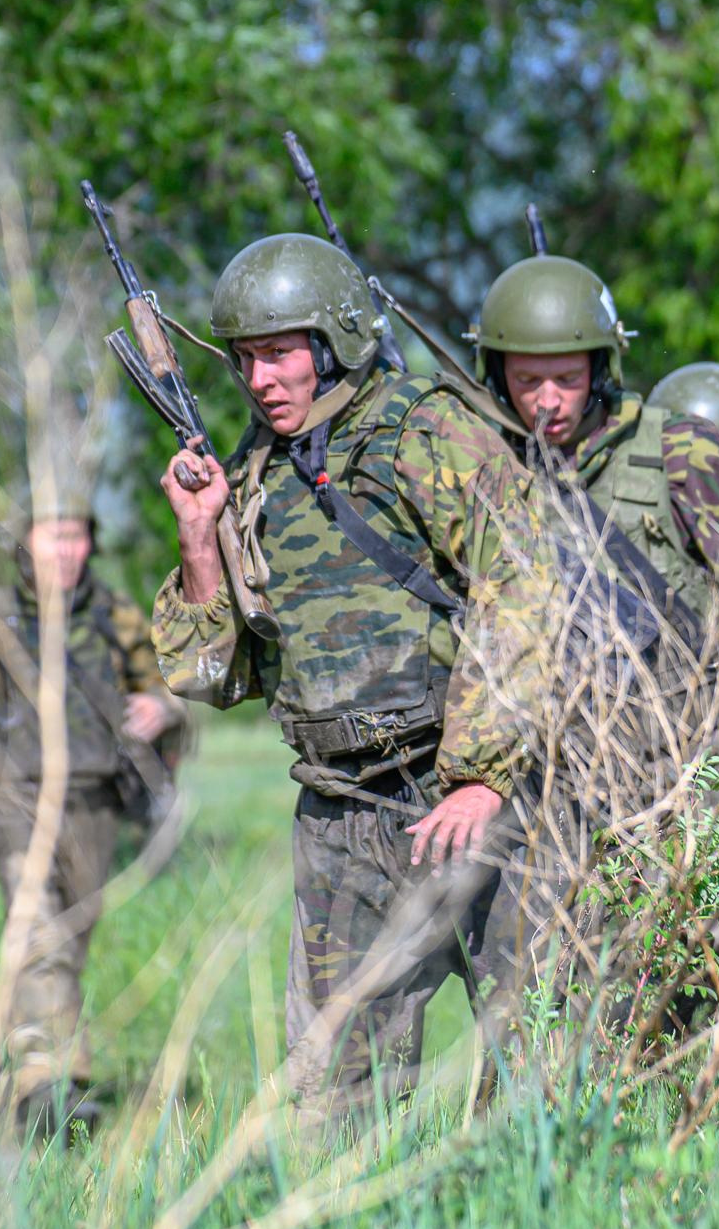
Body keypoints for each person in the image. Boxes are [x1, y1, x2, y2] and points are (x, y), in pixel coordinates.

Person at [150, 232, 553, 1099]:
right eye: (246, 358)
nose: (261, 380)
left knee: (536, 1081)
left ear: (334, 343)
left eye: (281, 354)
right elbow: (209, 679)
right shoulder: (254, 475)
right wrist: (199, 535)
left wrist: (481, 777)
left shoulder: (425, 430)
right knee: (334, 1100)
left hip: (469, 796)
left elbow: (524, 584)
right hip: (340, 814)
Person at [0, 499, 185, 1132]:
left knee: (65, 943)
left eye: (76, 539)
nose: (65, 552)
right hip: (15, 799)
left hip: (95, 802)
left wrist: (162, 711)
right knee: (38, 936)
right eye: (51, 538)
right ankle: (54, 1087)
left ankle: (6, 1068)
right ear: (25, 545)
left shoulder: (115, 615)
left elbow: (174, 683)